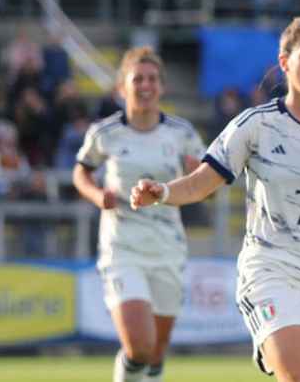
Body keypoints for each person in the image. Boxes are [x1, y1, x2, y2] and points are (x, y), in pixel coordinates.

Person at [130, 16, 300, 382]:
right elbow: (201, 183)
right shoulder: (255, 125)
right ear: (285, 62)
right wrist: (163, 192)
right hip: (272, 273)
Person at [73, 47, 206, 382]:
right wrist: (95, 194)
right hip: (122, 248)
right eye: (137, 79)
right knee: (139, 346)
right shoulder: (105, 132)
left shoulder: (182, 133)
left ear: (161, 87)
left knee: (157, 351)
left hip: (167, 247)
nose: (145, 85)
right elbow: (81, 172)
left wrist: (196, 177)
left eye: (152, 79)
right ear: (122, 87)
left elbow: (206, 183)